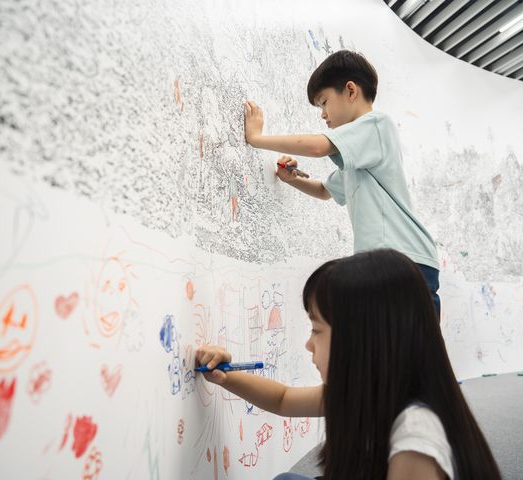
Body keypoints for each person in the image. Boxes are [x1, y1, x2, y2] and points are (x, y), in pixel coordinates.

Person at [195, 249, 501, 480]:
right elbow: (283, 399)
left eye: (316, 330)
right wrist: (224, 377)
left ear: (363, 339)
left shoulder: (416, 438)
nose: (308, 344)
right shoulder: (370, 388)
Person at [244, 50, 441, 320]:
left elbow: (316, 147)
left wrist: (256, 138)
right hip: (391, 262)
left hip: (404, 259)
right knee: (390, 351)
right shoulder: (358, 158)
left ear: (350, 90)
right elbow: (325, 190)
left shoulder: (376, 125)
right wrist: (293, 179)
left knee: (405, 354)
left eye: (324, 102)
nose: (323, 115)